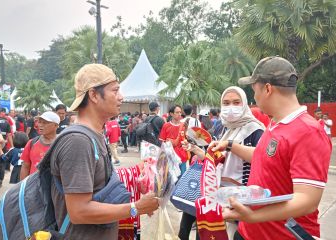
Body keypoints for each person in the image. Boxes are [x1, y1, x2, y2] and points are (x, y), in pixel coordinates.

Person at [212, 56, 331, 240]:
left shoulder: (308, 132)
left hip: (281, 234)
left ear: (267, 89)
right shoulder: (275, 123)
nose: (254, 97)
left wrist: (253, 216)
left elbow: (308, 200)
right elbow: (263, 157)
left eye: (254, 90)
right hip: (250, 231)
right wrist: (229, 145)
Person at [49, 63, 158, 239]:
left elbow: (97, 184)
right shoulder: (78, 141)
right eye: (115, 91)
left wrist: (135, 174)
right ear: (93, 95)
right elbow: (79, 211)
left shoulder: (95, 135)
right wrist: (136, 208)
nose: (121, 97)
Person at [182, 86, 265, 239]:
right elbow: (219, 160)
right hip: (220, 195)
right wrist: (195, 150)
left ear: (245, 104)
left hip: (241, 198)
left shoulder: (255, 130)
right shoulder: (224, 129)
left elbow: (261, 158)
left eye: (236, 102)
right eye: (226, 103)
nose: (230, 107)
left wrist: (230, 144)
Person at [20, 111, 59, 180]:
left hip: (55, 188)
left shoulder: (62, 143)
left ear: (56, 126)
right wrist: (23, 187)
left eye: (45, 123)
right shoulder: (32, 143)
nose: (40, 125)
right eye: (39, 122)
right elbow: (25, 167)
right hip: (34, 187)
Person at [0, 106, 13, 187]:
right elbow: (9, 135)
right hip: (1, 146)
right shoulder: (6, 121)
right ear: (0, 112)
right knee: (1, 163)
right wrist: (11, 146)